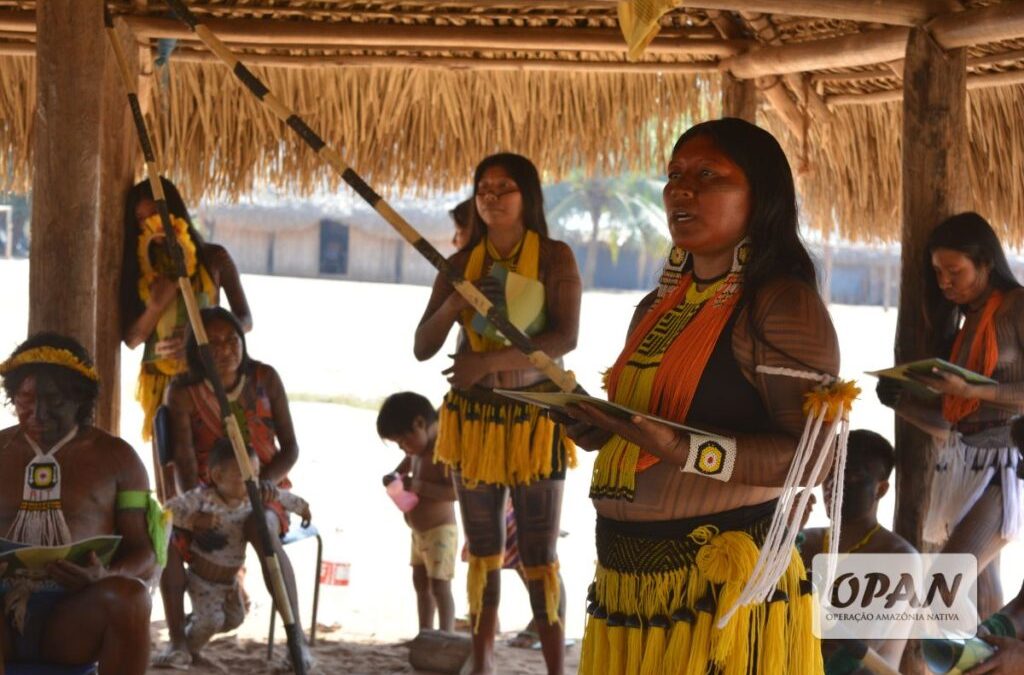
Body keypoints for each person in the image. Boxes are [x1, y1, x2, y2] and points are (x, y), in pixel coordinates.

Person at [562, 118, 840, 675]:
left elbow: (815, 456)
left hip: (720, 591)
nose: (680, 189)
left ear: (759, 197)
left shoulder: (781, 304)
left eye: (708, 174)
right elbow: (653, 424)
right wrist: (603, 427)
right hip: (627, 589)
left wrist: (682, 449)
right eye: (674, 175)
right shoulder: (655, 307)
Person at [415, 153, 582, 674]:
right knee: (483, 551)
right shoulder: (463, 263)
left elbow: (563, 339)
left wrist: (485, 362)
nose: (491, 196)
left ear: (526, 196)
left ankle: (556, 667)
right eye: (483, 188)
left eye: (504, 187)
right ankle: (482, 663)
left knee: (538, 554)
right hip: (477, 424)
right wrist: (452, 302)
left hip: (535, 420)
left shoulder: (555, 257)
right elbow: (424, 345)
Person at [876, 212, 1024, 617]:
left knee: (943, 588)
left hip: (1005, 466)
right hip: (958, 462)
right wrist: (900, 402)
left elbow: (979, 400)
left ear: (987, 263)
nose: (945, 282)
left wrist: (971, 389)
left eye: (955, 271)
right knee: (980, 596)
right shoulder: (965, 323)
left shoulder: (1017, 306)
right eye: (938, 272)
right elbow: (951, 423)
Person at [156, 306, 309, 669]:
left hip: (264, 491)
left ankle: (296, 642)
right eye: (214, 343)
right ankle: (178, 641)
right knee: (167, 540)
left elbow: (290, 448)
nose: (226, 350)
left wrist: (259, 488)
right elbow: (185, 461)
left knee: (264, 529)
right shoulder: (183, 392)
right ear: (197, 350)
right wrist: (199, 513)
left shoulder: (265, 378)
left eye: (232, 340)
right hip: (207, 497)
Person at [0, 334, 159, 673]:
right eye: (26, 398)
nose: (38, 414)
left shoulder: (118, 458)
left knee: (131, 598)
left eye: (53, 400)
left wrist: (104, 575)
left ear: (80, 399)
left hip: (73, 614)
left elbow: (145, 553)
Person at [120, 176, 251, 489]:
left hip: (211, 378)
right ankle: (176, 534)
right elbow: (132, 339)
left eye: (156, 214)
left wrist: (200, 340)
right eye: (141, 219)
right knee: (173, 480)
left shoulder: (214, 258)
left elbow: (244, 320)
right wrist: (154, 307)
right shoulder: (136, 269)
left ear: (175, 213)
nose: (150, 224)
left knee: (222, 470)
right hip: (163, 387)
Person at [157, 438, 311, 663]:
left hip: (230, 582)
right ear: (218, 476)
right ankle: (186, 650)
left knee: (235, 619)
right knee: (211, 621)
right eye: (245, 476)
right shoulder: (202, 500)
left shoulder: (253, 498)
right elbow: (167, 511)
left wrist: (303, 508)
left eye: (256, 475)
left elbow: (282, 496)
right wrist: (194, 521)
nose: (253, 482)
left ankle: (194, 628)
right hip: (203, 580)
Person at [801, 430, 916, 674]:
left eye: (850, 476)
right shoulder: (805, 540)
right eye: (830, 474)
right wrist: (786, 533)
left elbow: (855, 648)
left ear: (881, 489)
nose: (834, 485)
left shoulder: (898, 557)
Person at [377, 392, 457, 632]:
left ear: (420, 424)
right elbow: (401, 470)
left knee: (440, 588)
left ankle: (446, 634)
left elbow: (454, 493)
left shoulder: (443, 451)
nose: (404, 448)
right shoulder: (415, 452)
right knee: (420, 584)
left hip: (441, 533)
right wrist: (393, 477)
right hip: (418, 534)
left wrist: (419, 486)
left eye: (403, 441)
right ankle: (425, 632)